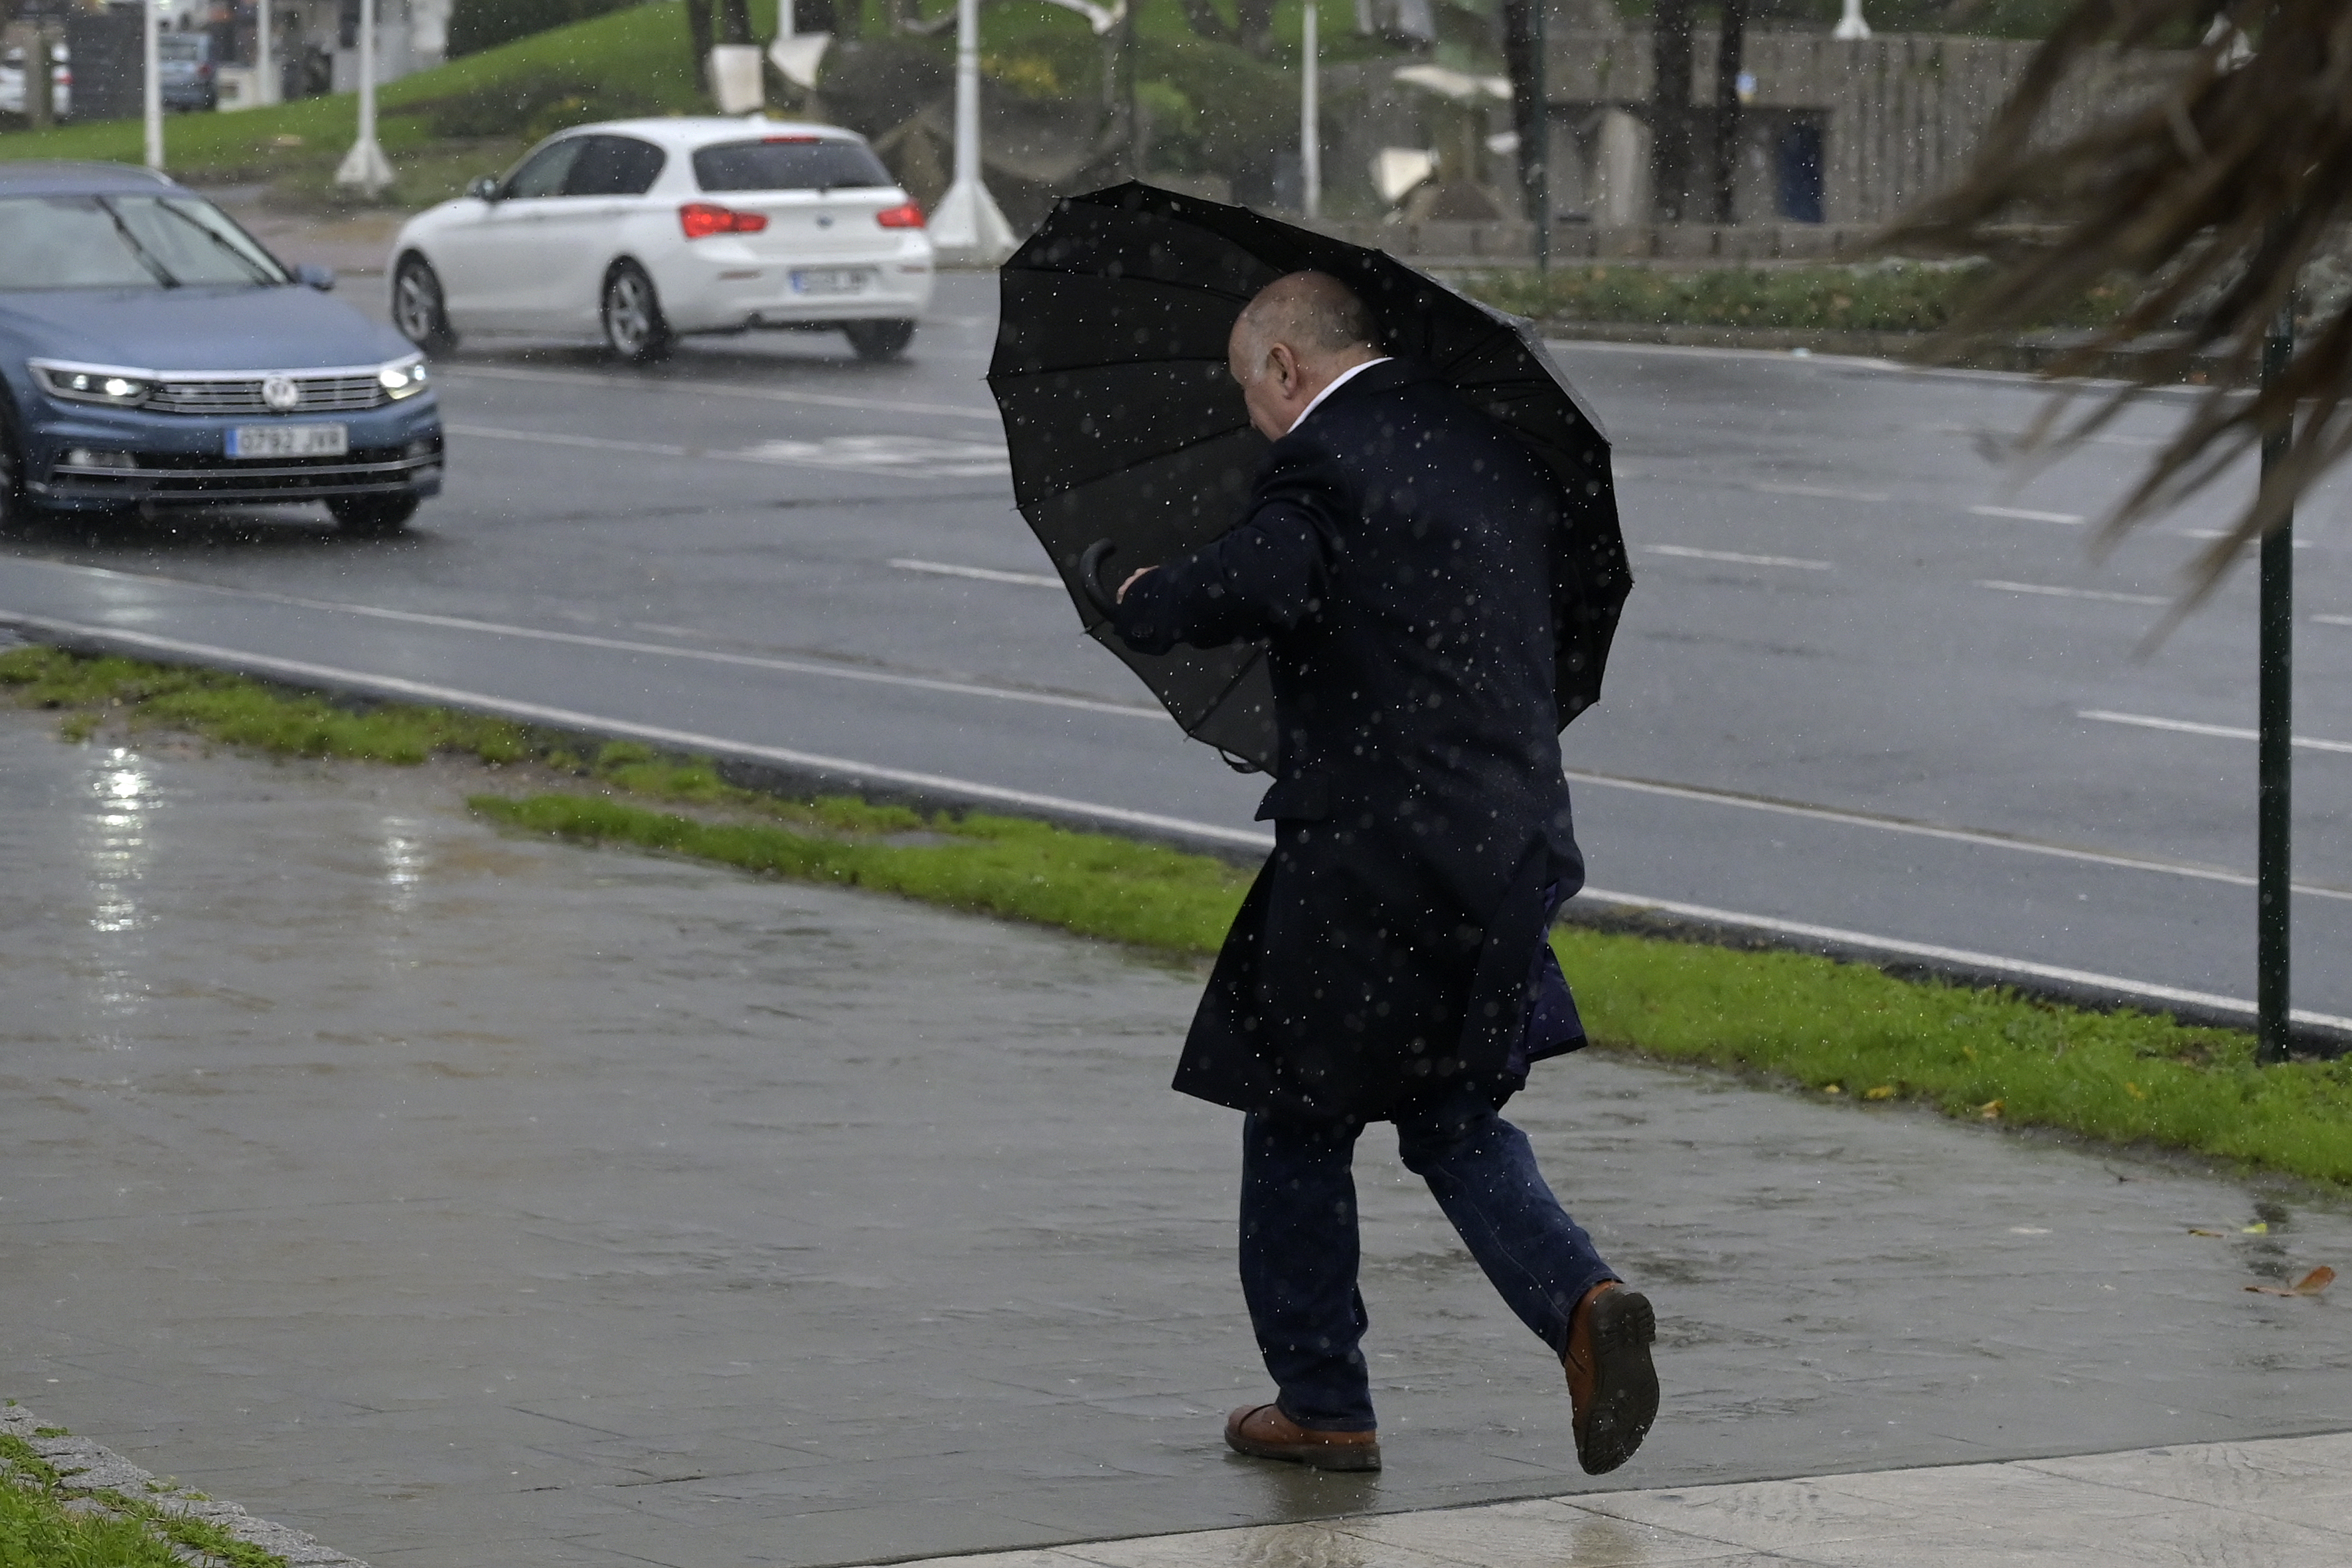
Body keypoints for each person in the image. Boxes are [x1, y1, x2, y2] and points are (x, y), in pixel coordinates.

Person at [1098, 271, 1656, 1478]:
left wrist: (1141, 592)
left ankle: (1323, 1402)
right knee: (1453, 1115)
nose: (1254, 417)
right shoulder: (1486, 447)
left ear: (1288, 366)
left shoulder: (1325, 460)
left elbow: (1262, 578)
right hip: (1508, 839)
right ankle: (1583, 1300)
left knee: (1295, 1121)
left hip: (1370, 857)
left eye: (1253, 390)